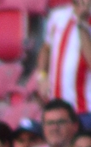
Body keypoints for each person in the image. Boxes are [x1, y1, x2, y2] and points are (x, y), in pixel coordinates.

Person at [37, 0, 91, 128]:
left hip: (86, 107)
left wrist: (82, 24)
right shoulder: (58, 15)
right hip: (57, 105)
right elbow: (46, 49)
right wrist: (42, 77)